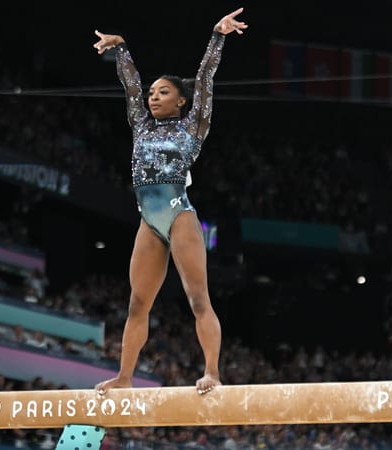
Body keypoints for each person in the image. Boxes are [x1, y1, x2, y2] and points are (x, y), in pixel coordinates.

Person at [91, 8, 247, 399]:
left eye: (163, 92)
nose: (153, 96)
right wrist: (121, 47)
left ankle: (212, 371)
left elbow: (206, 78)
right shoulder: (141, 125)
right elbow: (130, 85)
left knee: (198, 298)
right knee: (137, 305)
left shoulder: (193, 126)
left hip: (179, 216)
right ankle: (125, 376)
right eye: (152, 93)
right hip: (148, 221)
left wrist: (218, 36)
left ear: (181, 101)